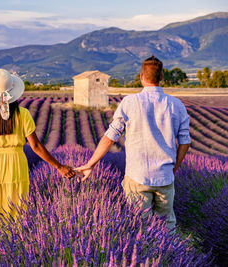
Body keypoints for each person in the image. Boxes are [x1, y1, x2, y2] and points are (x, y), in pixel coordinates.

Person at [75, 56, 191, 230]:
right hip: (165, 177)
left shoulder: (130, 102)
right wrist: (174, 167)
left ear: (141, 77)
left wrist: (91, 164)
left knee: (139, 227)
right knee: (167, 226)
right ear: (161, 78)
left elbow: (110, 137)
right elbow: (185, 142)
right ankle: (170, 256)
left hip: (138, 176)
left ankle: (144, 257)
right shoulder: (177, 105)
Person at [0, 69, 75, 234]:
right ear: (13, 93)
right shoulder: (23, 114)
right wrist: (59, 166)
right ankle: (14, 248)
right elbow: (36, 146)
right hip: (15, 164)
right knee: (15, 207)